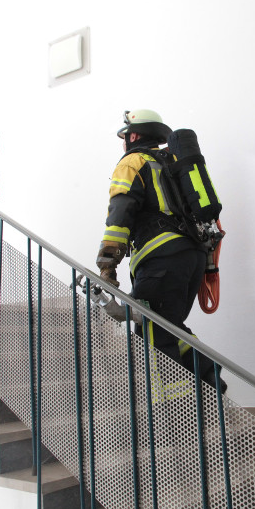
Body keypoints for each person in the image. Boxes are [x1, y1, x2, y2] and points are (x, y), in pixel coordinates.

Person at [96, 109, 226, 393]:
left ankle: (172, 416)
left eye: (125, 136)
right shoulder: (172, 162)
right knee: (168, 326)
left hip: (159, 259)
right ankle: (210, 381)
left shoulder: (132, 162)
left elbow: (120, 212)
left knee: (152, 335)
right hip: (190, 258)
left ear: (133, 135)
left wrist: (108, 263)